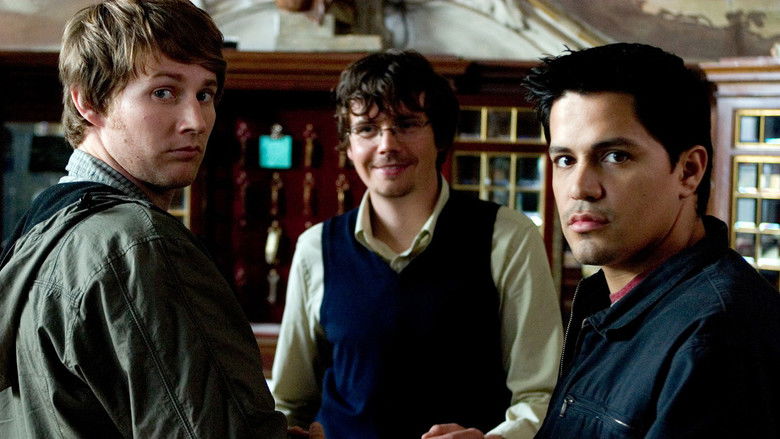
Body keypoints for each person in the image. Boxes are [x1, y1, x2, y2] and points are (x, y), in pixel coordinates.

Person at [0, 1, 322, 437]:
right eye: (164, 93)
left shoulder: (42, 228)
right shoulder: (137, 243)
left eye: (205, 95)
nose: (196, 121)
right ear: (90, 101)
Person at [271, 49, 563, 439]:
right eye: (367, 129)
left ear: (440, 135)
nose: (386, 144)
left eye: (406, 124)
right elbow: (289, 402)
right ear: (349, 145)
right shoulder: (315, 248)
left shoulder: (507, 237)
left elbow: (541, 396)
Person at [523, 42, 780, 438]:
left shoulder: (716, 338)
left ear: (688, 171)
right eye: (566, 160)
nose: (579, 188)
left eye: (615, 156)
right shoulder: (614, 301)